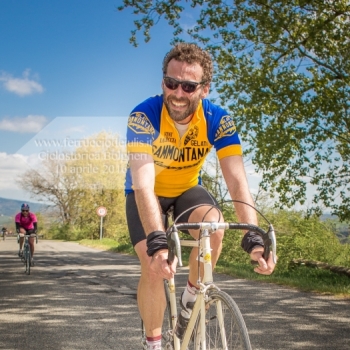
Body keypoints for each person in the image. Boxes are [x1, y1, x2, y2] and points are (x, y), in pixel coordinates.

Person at [124, 43, 276, 350]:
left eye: (189, 86)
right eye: (171, 83)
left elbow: (236, 180)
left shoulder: (218, 120)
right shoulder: (143, 116)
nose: (178, 93)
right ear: (162, 82)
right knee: (154, 266)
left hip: (186, 189)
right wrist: (156, 238)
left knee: (215, 226)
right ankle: (153, 343)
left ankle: (190, 298)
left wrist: (254, 236)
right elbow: (143, 183)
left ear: (204, 89)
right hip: (147, 193)